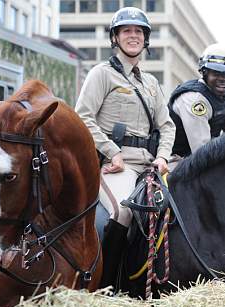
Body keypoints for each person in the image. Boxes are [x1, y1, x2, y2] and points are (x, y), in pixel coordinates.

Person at [75, 7, 175, 287]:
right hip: (119, 163)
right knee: (123, 213)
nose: (133, 36)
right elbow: (82, 116)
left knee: (179, 206)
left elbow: (167, 126)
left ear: (146, 39)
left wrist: (163, 156)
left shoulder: (152, 83)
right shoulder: (102, 74)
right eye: (127, 31)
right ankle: (105, 286)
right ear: (115, 38)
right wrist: (112, 151)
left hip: (150, 162)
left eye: (139, 32)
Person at [168, 43, 225, 160]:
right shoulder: (194, 98)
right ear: (204, 73)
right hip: (175, 159)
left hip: (204, 157)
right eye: (216, 73)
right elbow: (202, 152)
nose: (222, 79)